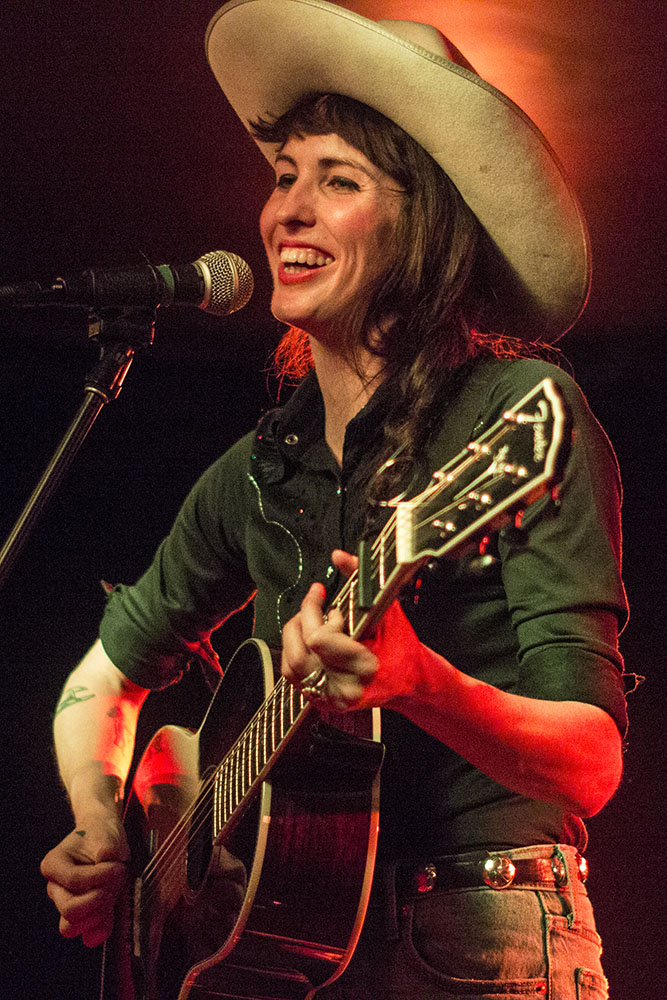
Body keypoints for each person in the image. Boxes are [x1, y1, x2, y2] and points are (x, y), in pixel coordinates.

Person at [41, 2, 629, 997]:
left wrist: (422, 685)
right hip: (292, 957)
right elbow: (101, 678)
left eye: (338, 181)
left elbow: (592, 764)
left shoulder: (520, 413)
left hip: (483, 931)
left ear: (424, 223)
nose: (286, 212)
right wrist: (102, 827)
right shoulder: (256, 469)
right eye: (283, 178)